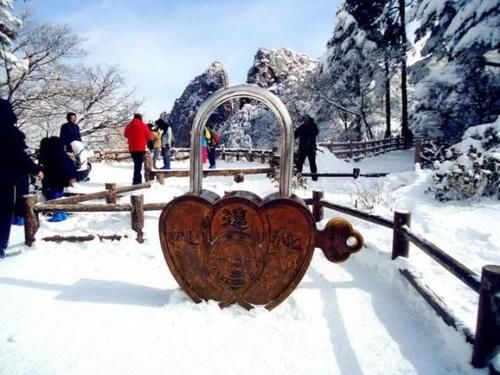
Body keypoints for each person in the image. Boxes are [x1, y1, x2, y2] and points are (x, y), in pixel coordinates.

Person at [0, 98, 43, 256]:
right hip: (4, 180)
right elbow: (19, 156)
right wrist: (36, 169)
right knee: (3, 212)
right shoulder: (9, 133)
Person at [38, 136, 77, 222]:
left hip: (51, 180)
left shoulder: (48, 154)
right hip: (61, 179)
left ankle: (58, 214)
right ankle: (61, 212)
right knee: (59, 196)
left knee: (54, 197)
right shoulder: (61, 153)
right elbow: (68, 166)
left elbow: (45, 167)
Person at [124, 113, 152, 184]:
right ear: (140, 118)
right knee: (138, 165)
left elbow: (125, 135)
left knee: (137, 164)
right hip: (141, 149)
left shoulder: (129, 126)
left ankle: (137, 180)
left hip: (132, 149)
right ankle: (137, 181)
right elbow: (149, 136)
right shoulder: (144, 126)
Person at [295, 114, 319, 181]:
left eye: (305, 119)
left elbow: (316, 132)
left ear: (308, 119)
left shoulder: (313, 126)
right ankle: (298, 177)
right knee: (299, 162)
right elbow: (295, 134)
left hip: (311, 148)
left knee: (312, 162)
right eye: (303, 120)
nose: (304, 121)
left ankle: (314, 177)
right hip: (303, 148)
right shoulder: (302, 127)